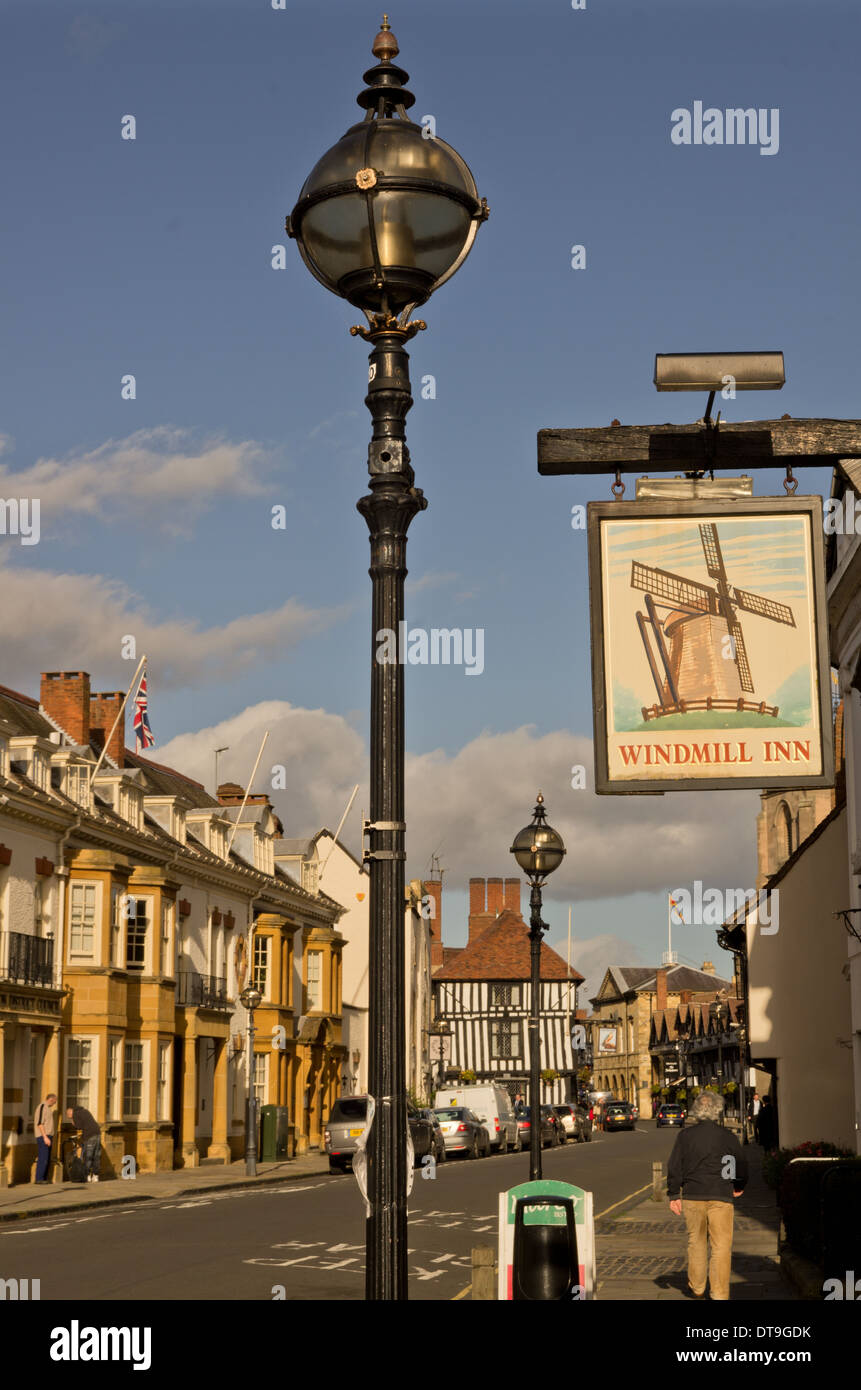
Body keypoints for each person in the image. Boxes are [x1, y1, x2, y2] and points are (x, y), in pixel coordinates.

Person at [667, 1090, 748, 1301]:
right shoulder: (727, 1136)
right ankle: (719, 1293)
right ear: (717, 1110)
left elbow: (675, 1165)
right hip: (721, 1195)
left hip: (693, 1195)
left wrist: (674, 1193)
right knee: (721, 1246)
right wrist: (738, 1184)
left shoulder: (685, 1136)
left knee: (696, 1242)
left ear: (696, 1110)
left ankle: (697, 1287)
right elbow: (739, 1163)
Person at [66, 1102, 102, 1182]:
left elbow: (79, 1126)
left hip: (89, 1135)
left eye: (68, 1115)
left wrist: (72, 1121)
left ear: (70, 1112)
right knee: (96, 1155)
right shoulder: (85, 1111)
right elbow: (87, 1123)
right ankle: (96, 1175)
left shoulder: (75, 1115)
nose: (68, 1116)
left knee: (88, 1156)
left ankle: (87, 1175)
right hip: (97, 1133)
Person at [33, 1092, 57, 1183]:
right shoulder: (42, 1107)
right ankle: (39, 1178)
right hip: (43, 1136)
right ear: (51, 1099)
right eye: (54, 1102)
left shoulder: (47, 1108)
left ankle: (43, 1178)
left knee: (46, 1157)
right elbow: (40, 1123)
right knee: (43, 1157)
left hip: (48, 1136)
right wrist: (45, 1137)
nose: (54, 1104)